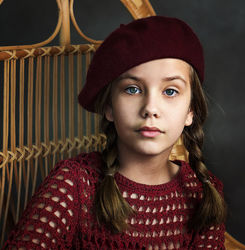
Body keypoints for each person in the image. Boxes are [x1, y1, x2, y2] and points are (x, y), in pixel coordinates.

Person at [3, 16, 227, 249]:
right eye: (132, 89)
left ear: (191, 110)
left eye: (170, 91)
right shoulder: (73, 184)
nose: (150, 108)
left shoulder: (204, 193)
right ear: (109, 106)